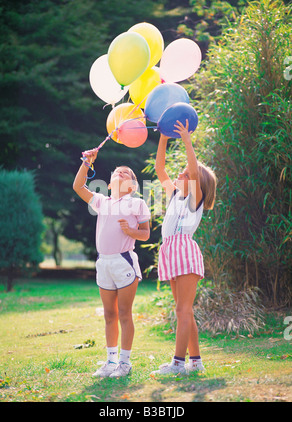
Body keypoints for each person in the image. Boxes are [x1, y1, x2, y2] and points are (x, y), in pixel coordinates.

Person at [73, 148, 150, 377]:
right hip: (103, 263)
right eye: (117, 172)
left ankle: (125, 364)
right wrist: (87, 163)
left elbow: (145, 234)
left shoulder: (137, 203)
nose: (120, 173)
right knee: (109, 315)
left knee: (124, 313)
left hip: (124, 262)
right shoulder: (102, 202)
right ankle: (110, 362)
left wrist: (132, 230)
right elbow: (78, 187)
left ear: (133, 186)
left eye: (126, 173)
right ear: (108, 184)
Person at [152, 120, 216, 375]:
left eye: (186, 173)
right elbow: (159, 168)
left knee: (183, 309)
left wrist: (187, 140)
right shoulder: (174, 195)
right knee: (183, 310)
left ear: (195, 180)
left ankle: (178, 364)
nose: (180, 173)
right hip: (169, 250)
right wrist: (164, 137)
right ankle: (196, 362)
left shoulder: (194, 197)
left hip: (184, 251)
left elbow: (192, 168)